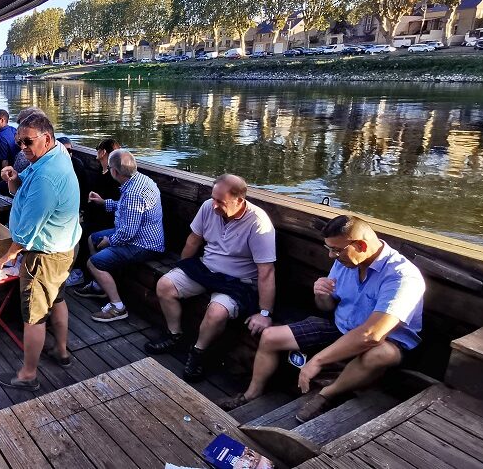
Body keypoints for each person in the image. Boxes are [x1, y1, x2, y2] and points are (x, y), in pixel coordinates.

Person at [217, 216, 425, 422]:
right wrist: (321, 295)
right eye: (328, 248)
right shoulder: (347, 261)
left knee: (380, 354)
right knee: (270, 336)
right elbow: (326, 307)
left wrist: (317, 360)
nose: (330, 255)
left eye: (336, 250)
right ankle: (251, 394)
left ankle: (326, 395)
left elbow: (372, 335)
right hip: (340, 327)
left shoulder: (402, 276)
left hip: (386, 341)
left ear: (361, 245)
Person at [144, 174, 277, 383]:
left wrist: (265, 313)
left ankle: (198, 353)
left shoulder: (258, 222)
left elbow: (266, 271)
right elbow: (193, 240)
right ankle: (174, 335)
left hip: (237, 282)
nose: (214, 205)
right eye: (213, 198)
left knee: (216, 312)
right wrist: (182, 267)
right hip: (206, 269)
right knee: (165, 285)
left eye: (220, 201)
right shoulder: (208, 206)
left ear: (239, 200)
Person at [0, 114, 81, 391]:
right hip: (64, 247)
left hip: (43, 255)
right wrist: (14, 179)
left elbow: (29, 229)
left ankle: (28, 374)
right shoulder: (55, 155)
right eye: (19, 142)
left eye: (28, 142)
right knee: (57, 299)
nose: (22, 147)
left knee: (33, 315)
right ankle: (62, 351)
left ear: (47, 137)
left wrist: (10, 253)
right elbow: (27, 187)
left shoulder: (46, 177)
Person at [73, 149, 164, 323]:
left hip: (144, 244)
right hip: (140, 235)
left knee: (94, 262)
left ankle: (117, 307)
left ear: (114, 171)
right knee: (92, 238)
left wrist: (110, 241)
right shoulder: (141, 180)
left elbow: (127, 232)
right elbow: (127, 210)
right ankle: (100, 286)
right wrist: (103, 202)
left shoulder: (132, 193)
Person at [67, 137, 123, 287]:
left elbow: (113, 204)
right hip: (95, 215)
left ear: (103, 152)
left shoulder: (113, 175)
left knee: (82, 232)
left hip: (106, 220)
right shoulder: (103, 171)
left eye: (97, 149)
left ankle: (80, 272)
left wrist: (98, 203)